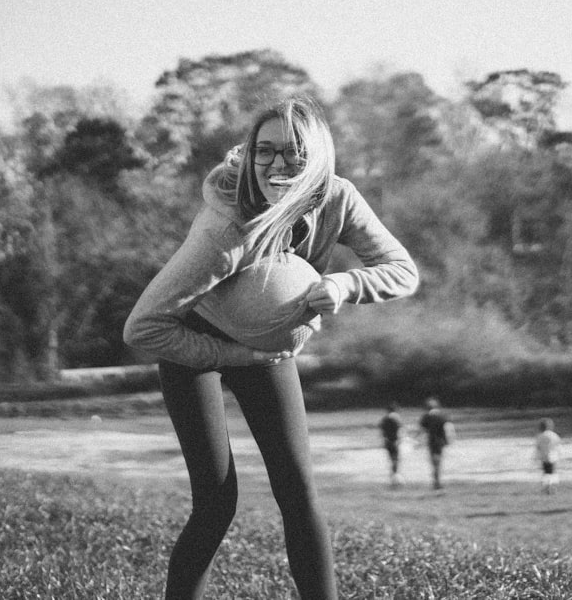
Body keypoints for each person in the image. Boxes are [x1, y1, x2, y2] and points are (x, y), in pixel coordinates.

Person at [123, 97, 419, 600]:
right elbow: (143, 328)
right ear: (251, 154)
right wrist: (233, 357)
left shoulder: (337, 199)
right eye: (266, 151)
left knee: (299, 491)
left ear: (318, 156)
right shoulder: (224, 229)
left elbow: (402, 270)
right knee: (216, 502)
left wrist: (346, 286)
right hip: (194, 343)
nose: (278, 165)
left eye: (294, 152)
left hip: (269, 351)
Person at [418, 397, 454, 490]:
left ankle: (436, 481)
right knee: (438, 461)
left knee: (433, 462)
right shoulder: (442, 416)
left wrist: (415, 440)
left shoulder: (426, 417)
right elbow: (448, 428)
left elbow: (421, 430)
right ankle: (437, 481)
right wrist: (449, 440)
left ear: (427, 407)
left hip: (431, 441)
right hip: (441, 441)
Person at [533, 418, 561, 494]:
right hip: (553, 457)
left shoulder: (540, 436)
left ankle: (548, 487)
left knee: (546, 473)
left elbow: (538, 447)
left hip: (544, 457)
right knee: (552, 472)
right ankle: (551, 487)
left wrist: (536, 458)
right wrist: (558, 455)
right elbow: (558, 446)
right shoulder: (554, 435)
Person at [379, 402, 404, 487]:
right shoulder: (396, 418)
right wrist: (400, 440)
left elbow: (382, 431)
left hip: (387, 441)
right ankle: (395, 477)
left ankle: (393, 476)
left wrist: (384, 439)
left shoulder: (384, 419)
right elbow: (399, 430)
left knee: (391, 458)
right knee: (396, 459)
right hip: (395, 441)